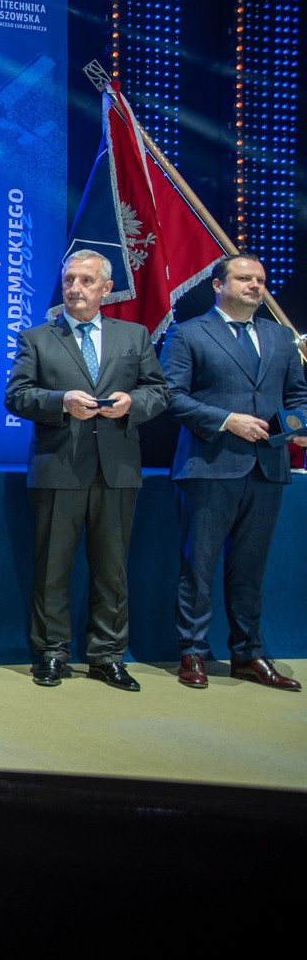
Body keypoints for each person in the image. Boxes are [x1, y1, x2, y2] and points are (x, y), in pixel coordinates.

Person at [5, 250, 167, 691]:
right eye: (69, 280)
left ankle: (107, 656)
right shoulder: (36, 338)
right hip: (59, 466)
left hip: (118, 468)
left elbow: (158, 391)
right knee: (52, 568)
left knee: (113, 569)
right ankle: (52, 653)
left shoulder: (134, 335)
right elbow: (16, 395)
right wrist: (62, 401)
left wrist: (133, 403)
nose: (74, 288)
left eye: (86, 280)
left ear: (106, 288)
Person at [160, 251, 307, 692]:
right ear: (218, 285)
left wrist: (298, 426)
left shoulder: (281, 337)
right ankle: (193, 652)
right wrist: (227, 420)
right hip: (209, 464)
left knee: (249, 570)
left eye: (259, 279)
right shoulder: (188, 332)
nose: (254, 286)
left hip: (267, 466)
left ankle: (248, 654)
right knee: (199, 567)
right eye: (244, 278)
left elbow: (297, 396)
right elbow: (170, 395)